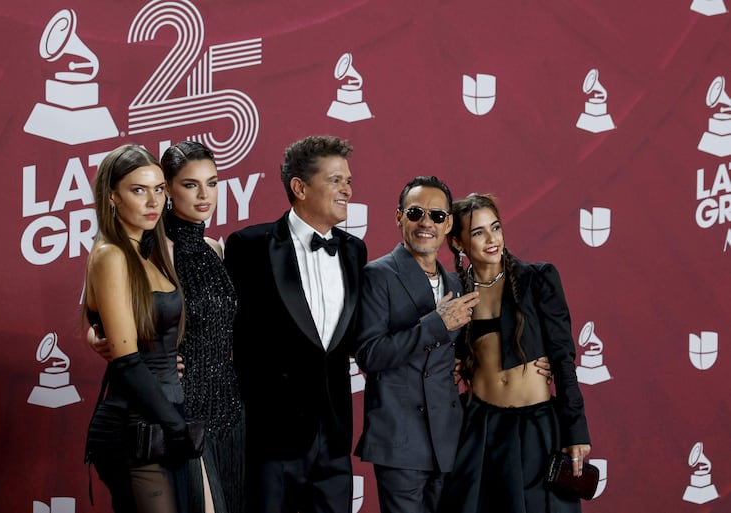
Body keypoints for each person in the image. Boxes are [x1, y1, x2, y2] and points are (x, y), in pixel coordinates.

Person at [90, 141, 246, 513]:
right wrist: (99, 335)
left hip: (225, 408)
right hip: (177, 406)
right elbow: (103, 307)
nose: (205, 194)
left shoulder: (213, 248)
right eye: (191, 184)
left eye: (213, 182)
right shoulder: (146, 248)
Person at [223, 135, 367, 513]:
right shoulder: (248, 246)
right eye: (336, 180)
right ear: (299, 187)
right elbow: (224, 331)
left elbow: (354, 337)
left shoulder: (354, 250)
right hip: (273, 439)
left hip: (335, 438)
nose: (348, 190)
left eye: (348, 181)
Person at [441, 193, 591, 513]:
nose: (492, 239)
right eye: (478, 232)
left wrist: (575, 430)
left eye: (495, 227)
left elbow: (563, 358)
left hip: (536, 425)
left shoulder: (537, 278)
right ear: (457, 243)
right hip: (480, 426)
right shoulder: (453, 291)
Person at [353, 176, 479, 513]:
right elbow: (370, 354)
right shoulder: (377, 275)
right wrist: (436, 324)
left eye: (437, 216)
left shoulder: (455, 281)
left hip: (449, 440)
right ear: (398, 218)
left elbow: (462, 352)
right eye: (415, 213)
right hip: (400, 439)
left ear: (448, 223)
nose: (426, 223)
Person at [83, 144, 195, 513]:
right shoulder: (110, 254)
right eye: (138, 190)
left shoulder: (150, 255)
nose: (153, 201)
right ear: (112, 196)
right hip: (134, 426)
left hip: (164, 418)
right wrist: (175, 425)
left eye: (159, 189)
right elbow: (129, 362)